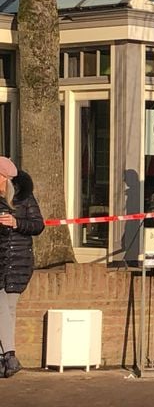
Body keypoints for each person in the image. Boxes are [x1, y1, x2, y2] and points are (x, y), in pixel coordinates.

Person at [0, 158, 44, 378]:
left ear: (6, 178)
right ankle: (7, 358)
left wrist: (16, 223)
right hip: (1, 260)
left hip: (18, 261)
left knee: (7, 310)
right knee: (4, 311)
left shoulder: (24, 198)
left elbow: (38, 225)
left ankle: (7, 356)